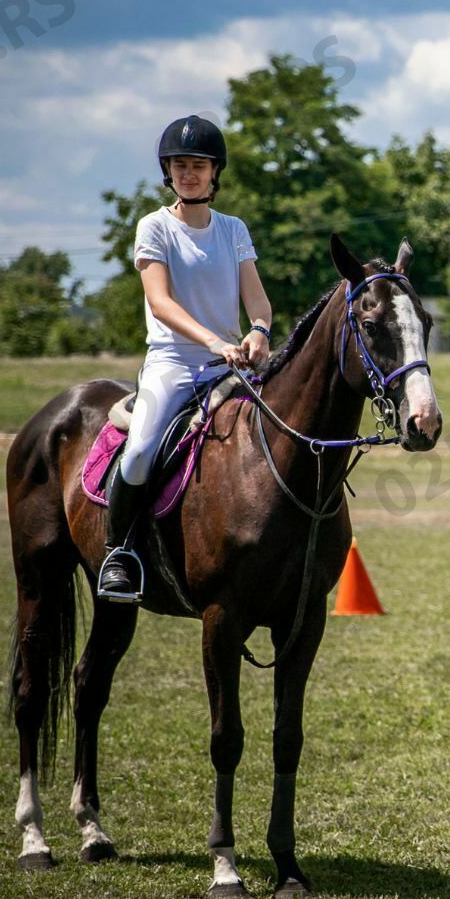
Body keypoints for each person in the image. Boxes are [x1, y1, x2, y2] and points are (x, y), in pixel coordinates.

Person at [98, 115, 274, 603]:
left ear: (215, 172)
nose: (189, 173)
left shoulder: (233, 229)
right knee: (138, 450)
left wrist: (258, 330)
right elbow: (161, 303)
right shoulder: (153, 227)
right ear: (167, 171)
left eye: (198, 165)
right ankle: (120, 552)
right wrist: (213, 340)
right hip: (173, 363)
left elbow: (257, 302)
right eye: (180, 165)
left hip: (232, 364)